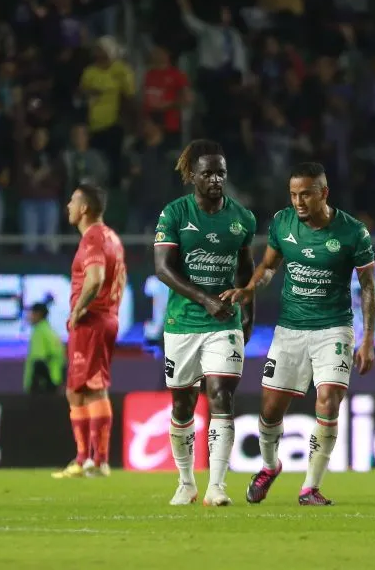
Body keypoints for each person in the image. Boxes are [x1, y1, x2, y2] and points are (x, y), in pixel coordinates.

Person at [221, 162, 375, 506]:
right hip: (290, 329)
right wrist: (250, 289)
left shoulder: (353, 232)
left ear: (324, 193)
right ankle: (269, 466)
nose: (298, 201)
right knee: (270, 408)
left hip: (334, 328)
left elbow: (368, 287)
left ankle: (310, 487)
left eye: (305, 193)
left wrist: (367, 339)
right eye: (293, 194)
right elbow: (268, 266)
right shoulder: (282, 222)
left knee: (329, 399)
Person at [152, 139, 257, 507]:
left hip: (224, 323)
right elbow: (163, 269)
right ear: (192, 175)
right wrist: (205, 299)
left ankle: (217, 486)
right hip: (182, 323)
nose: (216, 179)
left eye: (221, 173)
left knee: (221, 396)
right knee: (183, 404)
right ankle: (185, 482)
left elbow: (246, 272)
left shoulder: (242, 218)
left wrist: (248, 314)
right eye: (208, 173)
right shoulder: (174, 214)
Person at [52, 183, 125, 479]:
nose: (67, 206)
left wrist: (78, 309)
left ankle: (100, 460)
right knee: (77, 389)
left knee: (93, 386)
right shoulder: (111, 237)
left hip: (93, 320)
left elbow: (94, 279)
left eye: (72, 201)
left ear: (84, 208)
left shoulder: (93, 238)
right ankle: (84, 460)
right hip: (105, 319)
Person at [24, 302, 65, 395]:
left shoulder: (39, 332)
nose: (28, 316)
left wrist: (34, 385)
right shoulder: (51, 331)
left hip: (43, 384)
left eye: (30, 313)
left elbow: (39, 361)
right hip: (54, 381)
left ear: (38, 314)